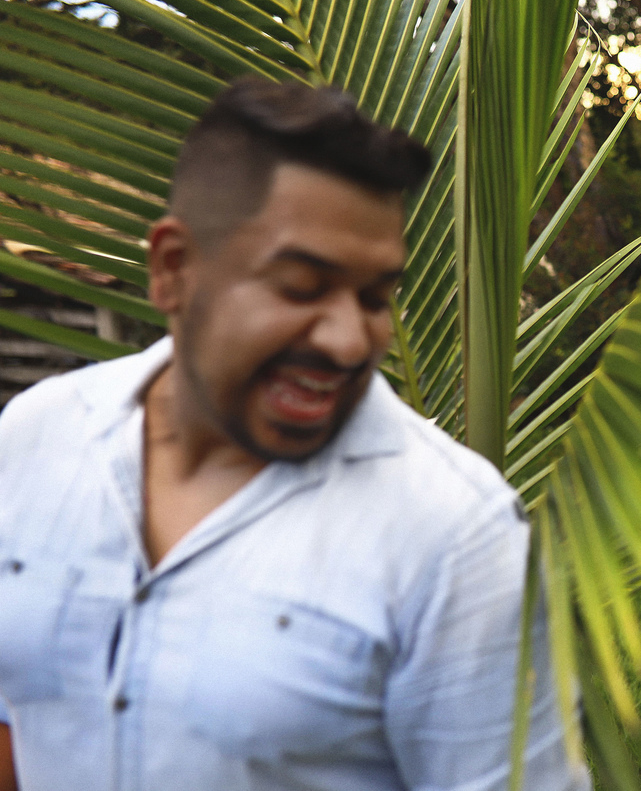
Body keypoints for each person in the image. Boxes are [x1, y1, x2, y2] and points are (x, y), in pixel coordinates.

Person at [0, 78, 589, 791]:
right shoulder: (34, 438)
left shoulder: (458, 534)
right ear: (172, 270)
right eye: (302, 286)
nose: (349, 341)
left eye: (375, 298)